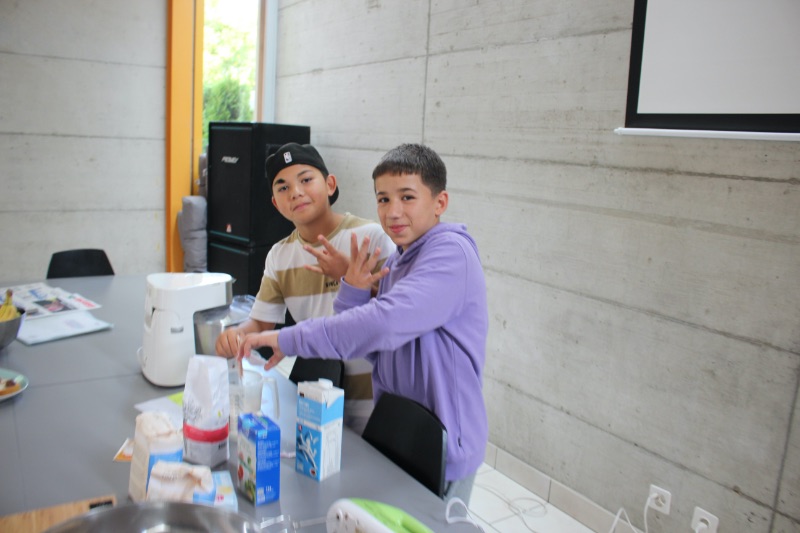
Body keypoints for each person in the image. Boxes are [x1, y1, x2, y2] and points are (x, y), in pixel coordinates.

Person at [238, 143, 489, 503]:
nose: (393, 212)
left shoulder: (451, 253)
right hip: (399, 427)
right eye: (383, 199)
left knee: (431, 524)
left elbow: (383, 324)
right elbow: (371, 345)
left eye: (407, 197)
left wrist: (288, 339)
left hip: (442, 441)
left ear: (440, 202)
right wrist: (354, 288)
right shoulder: (401, 260)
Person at [216, 142, 394, 435]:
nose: (295, 192)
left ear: (330, 184)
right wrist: (238, 335)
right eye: (283, 187)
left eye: (306, 179)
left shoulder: (369, 237)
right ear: (275, 203)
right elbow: (260, 322)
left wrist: (348, 276)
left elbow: (396, 311)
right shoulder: (280, 256)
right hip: (316, 397)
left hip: (373, 398)